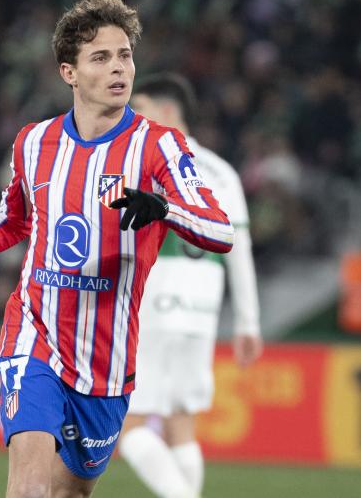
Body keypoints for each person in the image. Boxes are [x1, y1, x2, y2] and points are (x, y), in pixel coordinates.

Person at [0, 0, 235, 498]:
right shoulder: (34, 142)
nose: (118, 68)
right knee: (29, 490)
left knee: (70, 492)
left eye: (124, 54)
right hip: (35, 331)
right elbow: (12, 218)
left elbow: (222, 231)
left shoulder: (161, 145)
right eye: (100, 58)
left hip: (107, 359)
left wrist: (164, 209)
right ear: (69, 72)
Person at [117, 73, 263, 498]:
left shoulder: (149, 163)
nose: (133, 117)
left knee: (131, 426)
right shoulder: (223, 171)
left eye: (139, 108)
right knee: (182, 423)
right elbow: (240, 250)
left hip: (155, 301)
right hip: (202, 308)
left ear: (165, 113)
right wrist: (247, 323)